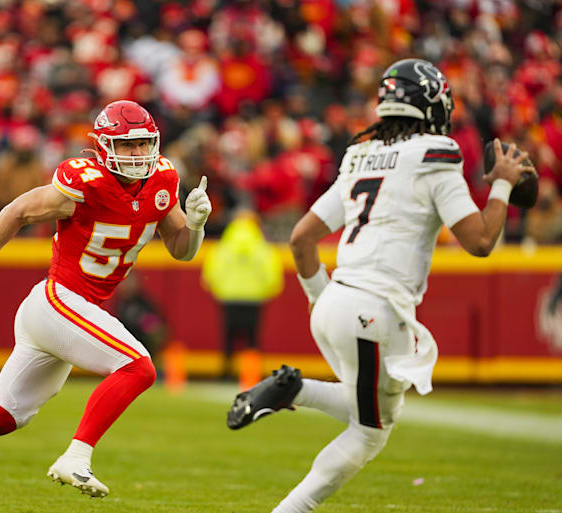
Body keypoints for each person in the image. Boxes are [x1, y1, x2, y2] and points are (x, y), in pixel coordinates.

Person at [226, 58, 533, 512]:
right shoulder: (436, 153)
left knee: (370, 408)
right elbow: (481, 242)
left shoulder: (360, 155)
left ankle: (295, 390)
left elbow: (301, 239)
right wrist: (502, 186)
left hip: (335, 298)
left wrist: (319, 299)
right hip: (377, 307)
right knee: (369, 431)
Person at [0, 100, 212, 512]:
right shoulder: (85, 181)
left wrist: (196, 226)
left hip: (72, 311)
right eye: (128, 145)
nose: (138, 153)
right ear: (104, 146)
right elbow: (18, 211)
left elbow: (180, 249)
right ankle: (77, 456)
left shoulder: (162, 179)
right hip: (60, 302)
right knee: (138, 367)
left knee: (3, 415)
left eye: (144, 143)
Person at [202, 207, 283, 381]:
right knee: (252, 338)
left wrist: (219, 290)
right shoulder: (262, 247)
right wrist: (267, 291)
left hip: (229, 297)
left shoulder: (223, 247)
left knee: (228, 337)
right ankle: (251, 374)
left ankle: (226, 372)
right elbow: (271, 274)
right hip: (254, 298)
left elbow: (212, 273)